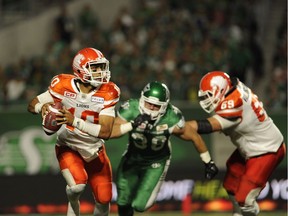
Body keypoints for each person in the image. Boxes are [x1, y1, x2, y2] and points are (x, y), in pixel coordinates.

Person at [27, 47, 120, 216]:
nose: (100, 72)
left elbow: (105, 132)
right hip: (68, 146)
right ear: (80, 69)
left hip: (94, 149)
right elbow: (32, 104)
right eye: (95, 67)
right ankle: (72, 202)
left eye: (101, 67)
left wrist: (74, 121)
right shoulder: (62, 85)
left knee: (104, 198)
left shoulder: (109, 91)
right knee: (77, 186)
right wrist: (42, 107)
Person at [110, 81, 218, 216]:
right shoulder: (131, 108)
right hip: (133, 156)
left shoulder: (172, 117)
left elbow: (194, 136)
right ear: (142, 98)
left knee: (140, 205)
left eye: (156, 106)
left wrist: (208, 162)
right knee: (122, 200)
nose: (150, 108)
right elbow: (110, 132)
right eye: (148, 103)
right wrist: (132, 124)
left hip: (156, 161)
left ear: (164, 106)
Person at [186, 71, 286, 216]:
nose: (206, 100)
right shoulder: (232, 86)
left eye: (209, 95)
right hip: (252, 146)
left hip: (266, 150)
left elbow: (206, 126)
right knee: (231, 183)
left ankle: (250, 211)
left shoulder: (234, 102)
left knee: (244, 199)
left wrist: (179, 126)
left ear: (221, 90)